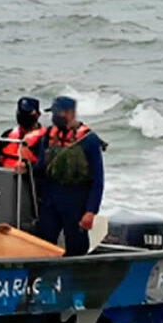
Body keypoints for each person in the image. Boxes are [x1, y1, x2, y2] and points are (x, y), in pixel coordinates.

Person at [32, 96, 107, 256]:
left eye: (59, 113)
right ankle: (43, 277)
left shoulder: (88, 140)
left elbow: (98, 179)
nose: (55, 117)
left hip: (76, 199)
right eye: (53, 113)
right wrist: (26, 165)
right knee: (44, 242)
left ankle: (77, 277)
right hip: (50, 199)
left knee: (76, 244)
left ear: (71, 113)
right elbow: (40, 167)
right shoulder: (48, 135)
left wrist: (91, 211)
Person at [0, 97, 46, 169]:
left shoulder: (45, 138)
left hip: (29, 177)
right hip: (3, 176)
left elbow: (45, 168)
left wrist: (28, 168)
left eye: (27, 114)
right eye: (21, 113)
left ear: (38, 115)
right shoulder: (7, 135)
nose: (24, 117)